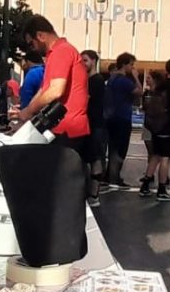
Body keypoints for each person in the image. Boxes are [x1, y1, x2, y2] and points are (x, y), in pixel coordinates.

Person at [14, 15, 95, 204]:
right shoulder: (58, 53)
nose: (33, 49)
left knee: (61, 188)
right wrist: (27, 115)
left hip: (67, 129)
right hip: (63, 128)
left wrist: (27, 112)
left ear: (40, 35)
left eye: (32, 44)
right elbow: (44, 90)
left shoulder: (61, 51)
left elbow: (55, 90)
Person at [139, 59, 170, 202]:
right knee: (165, 158)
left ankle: (145, 185)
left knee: (155, 155)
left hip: (155, 126)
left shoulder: (160, 86)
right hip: (169, 126)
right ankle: (162, 190)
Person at [103, 53, 142, 189]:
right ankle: (114, 177)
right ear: (124, 65)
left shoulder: (112, 79)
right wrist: (136, 77)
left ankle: (109, 175)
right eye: (131, 65)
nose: (132, 68)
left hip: (111, 117)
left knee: (112, 148)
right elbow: (139, 92)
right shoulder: (125, 81)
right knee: (120, 149)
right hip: (122, 117)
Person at [81, 50, 107, 185]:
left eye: (85, 60)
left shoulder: (97, 80)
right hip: (86, 123)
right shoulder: (85, 80)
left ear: (93, 61)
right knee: (87, 156)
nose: (83, 63)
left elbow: (85, 99)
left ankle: (94, 191)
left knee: (95, 157)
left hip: (95, 124)